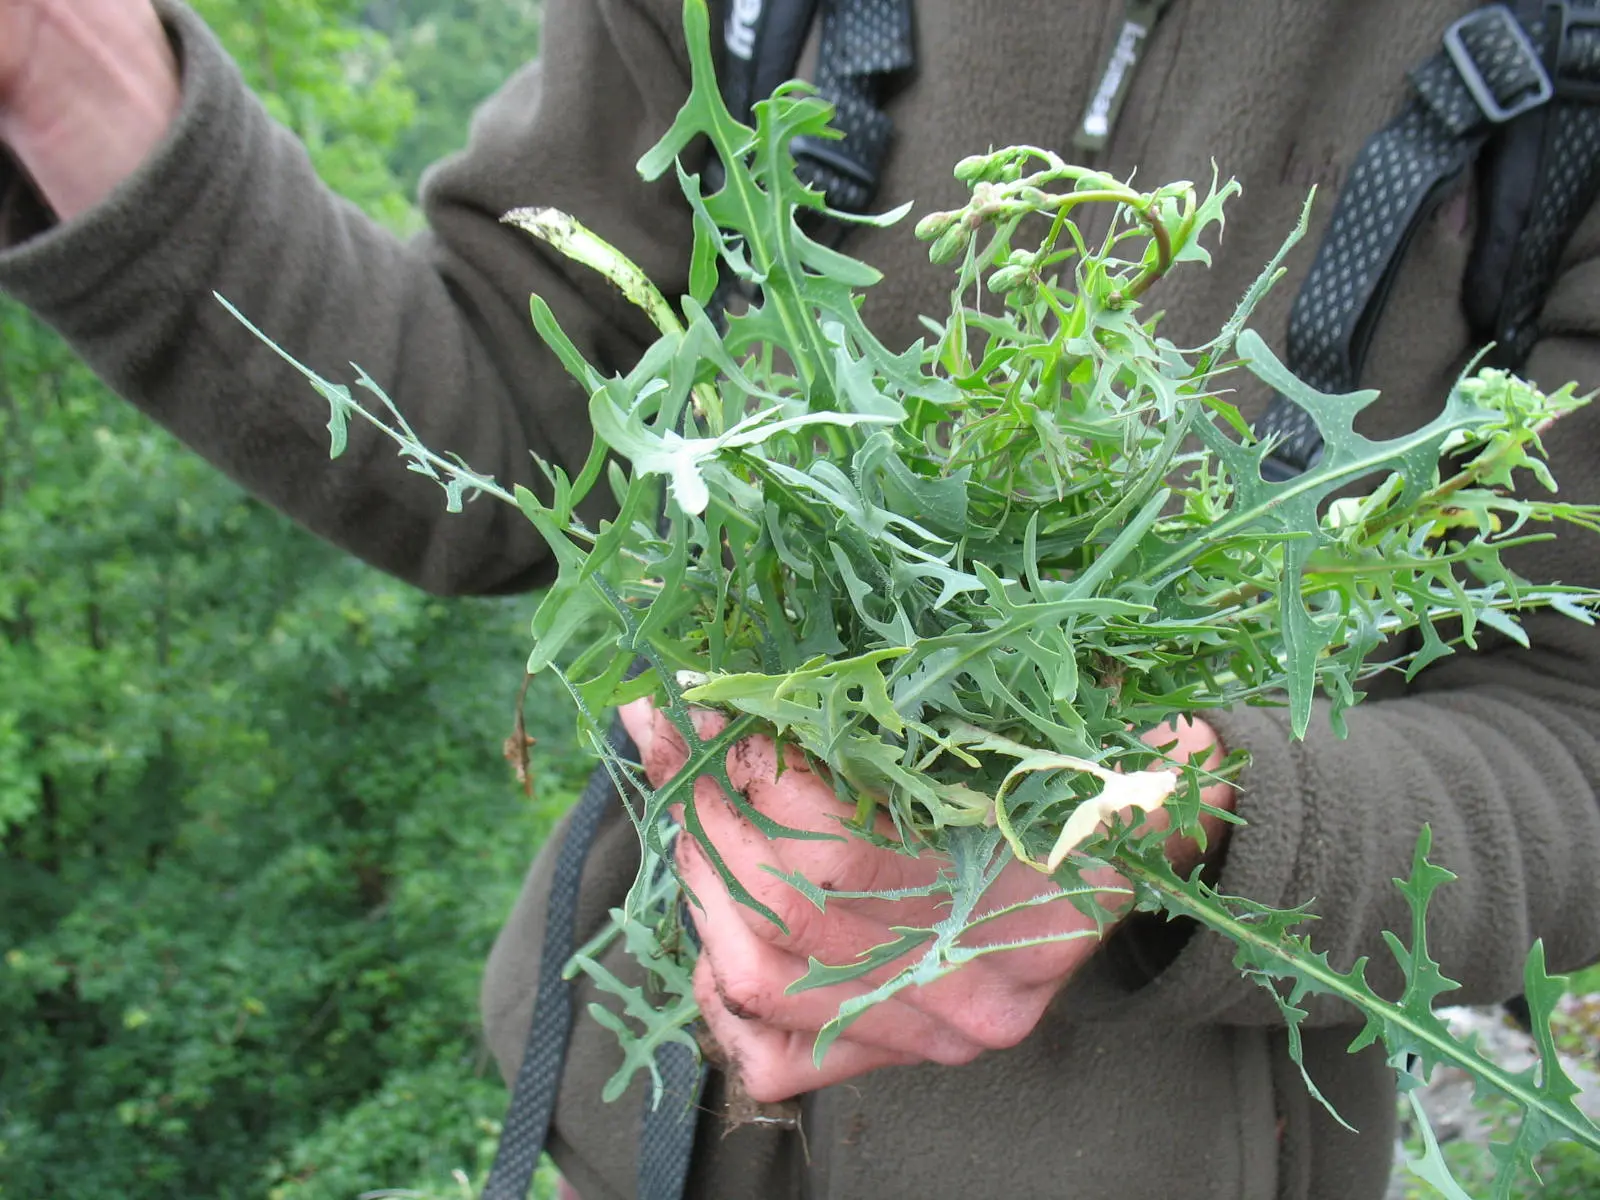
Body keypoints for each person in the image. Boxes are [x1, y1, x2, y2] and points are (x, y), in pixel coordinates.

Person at [5, 1, 1600, 1197]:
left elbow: (1571, 724)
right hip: (634, 1140)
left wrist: (1184, 818)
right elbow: (515, 405)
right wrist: (74, 79)